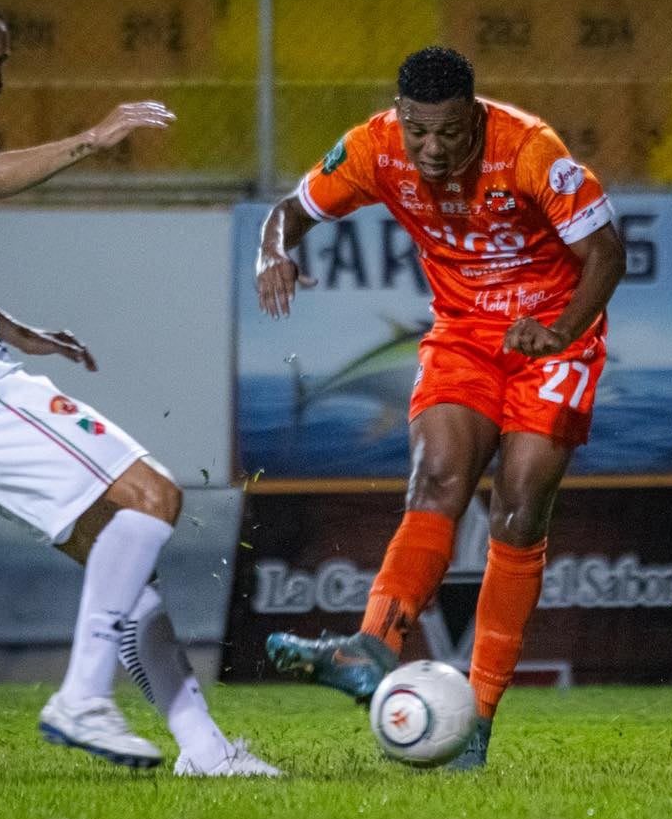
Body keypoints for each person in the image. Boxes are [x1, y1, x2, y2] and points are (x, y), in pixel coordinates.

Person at [0, 0, 279, 777]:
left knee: (124, 565)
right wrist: (96, 134)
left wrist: (19, 331)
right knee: (154, 496)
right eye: (0, 60)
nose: (1, 77)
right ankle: (82, 697)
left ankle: (205, 748)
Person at [257, 46, 626, 769]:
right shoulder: (371, 149)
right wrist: (272, 253)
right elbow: (288, 213)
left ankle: (476, 718)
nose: (431, 148)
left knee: (519, 506)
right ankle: (369, 648)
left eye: (449, 132)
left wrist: (558, 332)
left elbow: (608, 252)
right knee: (438, 479)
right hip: (462, 334)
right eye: (417, 130)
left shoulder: (530, 150)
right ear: (399, 117)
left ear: (476, 115)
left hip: (552, 336)